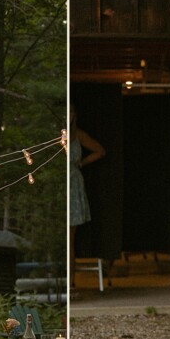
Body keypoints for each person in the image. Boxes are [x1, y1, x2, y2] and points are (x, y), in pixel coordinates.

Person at [69, 104, 106, 267]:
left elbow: (100, 151)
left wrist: (81, 163)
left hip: (74, 182)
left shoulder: (78, 135)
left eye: (70, 111)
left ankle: (71, 284)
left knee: (71, 238)